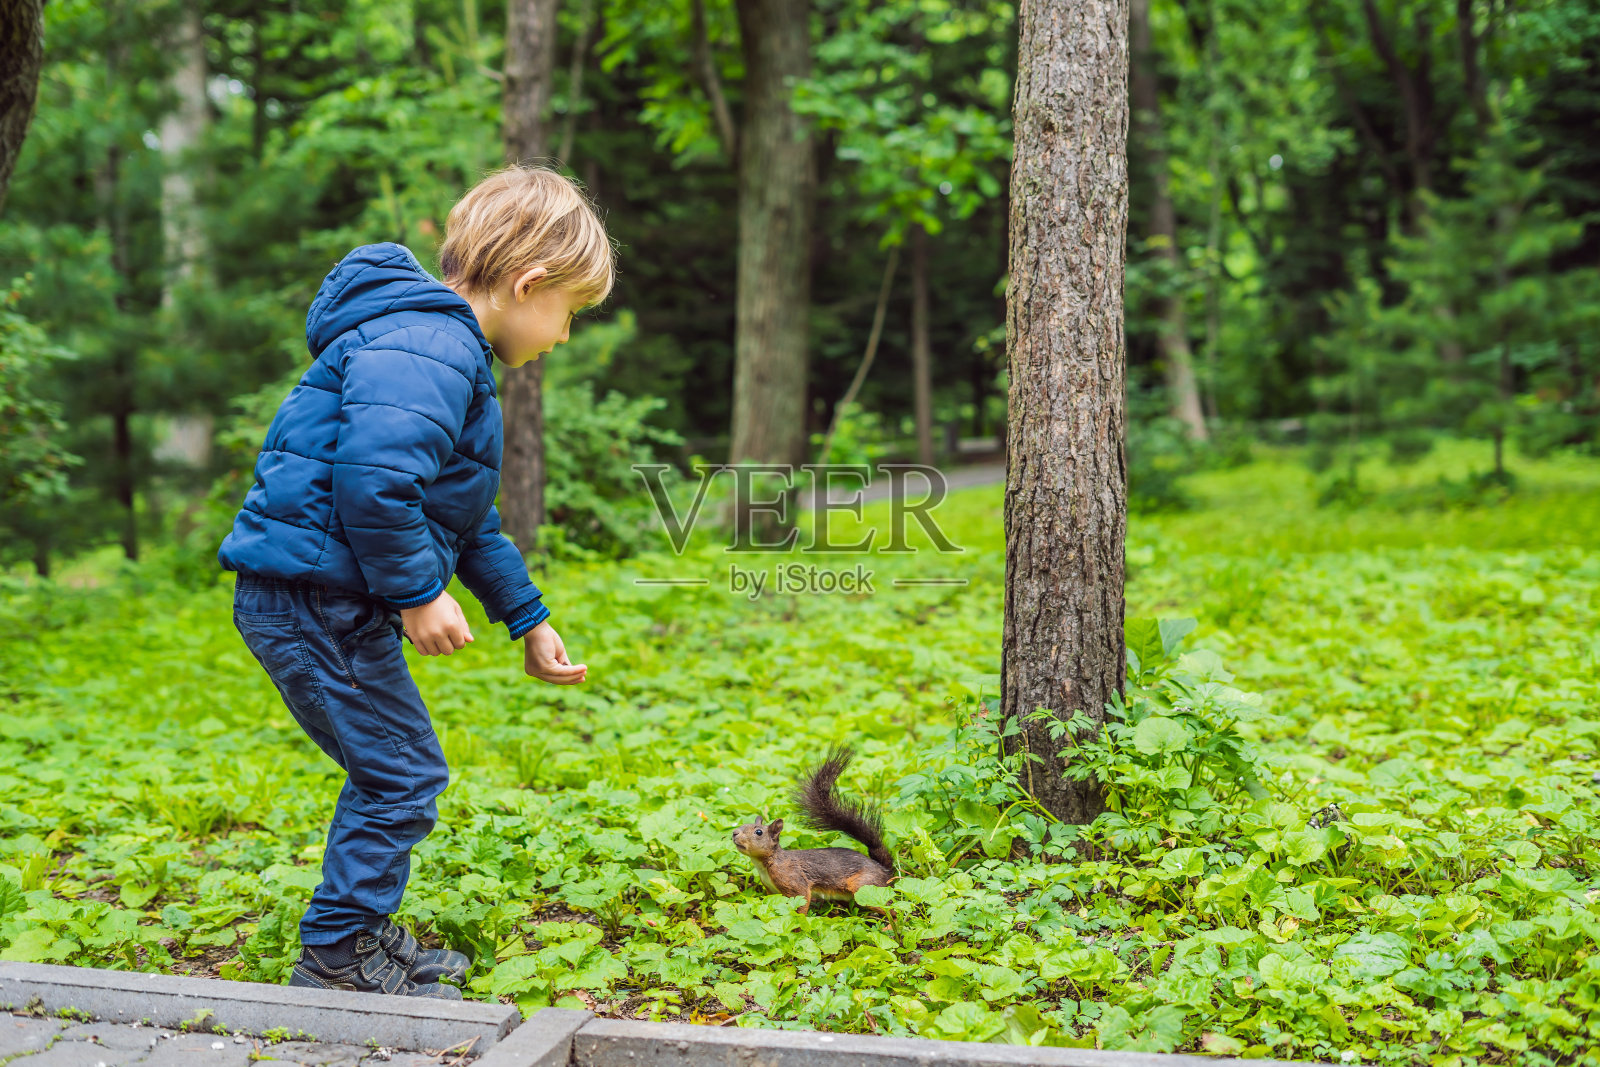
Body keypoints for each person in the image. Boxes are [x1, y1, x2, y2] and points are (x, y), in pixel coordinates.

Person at [218, 165, 613, 998]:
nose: (564, 335)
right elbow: (373, 482)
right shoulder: (431, 346)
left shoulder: (437, 348)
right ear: (527, 282)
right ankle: (336, 957)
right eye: (568, 312)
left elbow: (469, 521)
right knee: (401, 773)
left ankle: (355, 933)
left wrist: (528, 619)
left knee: (396, 768)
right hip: (314, 601)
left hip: (321, 597)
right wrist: (418, 593)